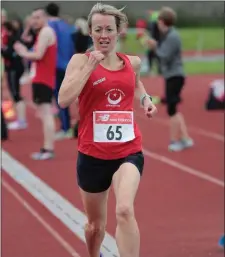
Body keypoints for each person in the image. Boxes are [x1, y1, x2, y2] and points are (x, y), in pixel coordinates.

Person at [58, 3, 157, 257]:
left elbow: (136, 85)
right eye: (99, 29)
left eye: (109, 29)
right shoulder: (79, 61)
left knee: (124, 209)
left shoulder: (131, 62)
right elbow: (63, 99)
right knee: (95, 227)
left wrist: (147, 101)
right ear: (90, 32)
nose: (104, 35)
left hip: (128, 150)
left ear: (119, 31)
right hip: (93, 155)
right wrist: (90, 67)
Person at [146, 7, 194, 151]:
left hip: (175, 75)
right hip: (172, 75)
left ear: (162, 21)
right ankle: (185, 138)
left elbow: (164, 56)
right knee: (173, 107)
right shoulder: (168, 35)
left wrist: (154, 47)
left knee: (171, 109)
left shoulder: (172, 36)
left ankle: (175, 141)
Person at [14, 8, 57, 160]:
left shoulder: (46, 32)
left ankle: (48, 149)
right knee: (44, 114)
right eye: (33, 18)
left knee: (46, 114)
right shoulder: (42, 32)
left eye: (37, 17)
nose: (34, 21)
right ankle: (47, 148)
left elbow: (38, 55)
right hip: (41, 78)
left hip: (44, 79)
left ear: (45, 18)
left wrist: (23, 52)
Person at [46, 2, 75, 140]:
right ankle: (66, 126)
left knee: (60, 97)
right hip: (68, 64)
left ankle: (65, 128)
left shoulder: (50, 27)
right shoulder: (66, 25)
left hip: (56, 65)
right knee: (65, 96)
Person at [1, 21, 27, 130]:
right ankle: (20, 119)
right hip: (14, 68)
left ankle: (21, 121)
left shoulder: (13, 39)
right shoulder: (14, 39)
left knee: (16, 94)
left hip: (14, 69)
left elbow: (10, 53)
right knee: (14, 94)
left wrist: (2, 48)